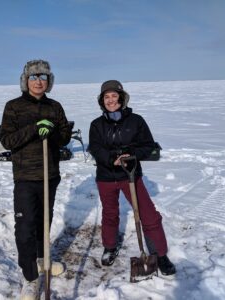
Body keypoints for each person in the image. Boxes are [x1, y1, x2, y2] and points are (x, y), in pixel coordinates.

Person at [88, 80, 176, 276]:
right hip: (106, 176)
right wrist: (112, 159)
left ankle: (160, 254)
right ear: (102, 100)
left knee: (148, 214)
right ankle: (110, 247)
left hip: (131, 174)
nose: (111, 100)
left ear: (122, 97)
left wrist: (130, 154)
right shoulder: (97, 124)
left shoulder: (136, 121)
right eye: (106, 96)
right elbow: (95, 148)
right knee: (110, 213)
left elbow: (149, 146)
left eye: (114, 95)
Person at [0, 59, 71, 299]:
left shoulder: (55, 106)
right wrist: (33, 128)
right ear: (25, 80)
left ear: (49, 81)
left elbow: (63, 137)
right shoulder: (14, 107)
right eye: (33, 77)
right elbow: (7, 141)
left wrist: (52, 132)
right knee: (25, 228)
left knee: (44, 222)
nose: (38, 81)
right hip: (25, 177)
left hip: (49, 175)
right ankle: (30, 277)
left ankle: (43, 260)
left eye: (43, 77)